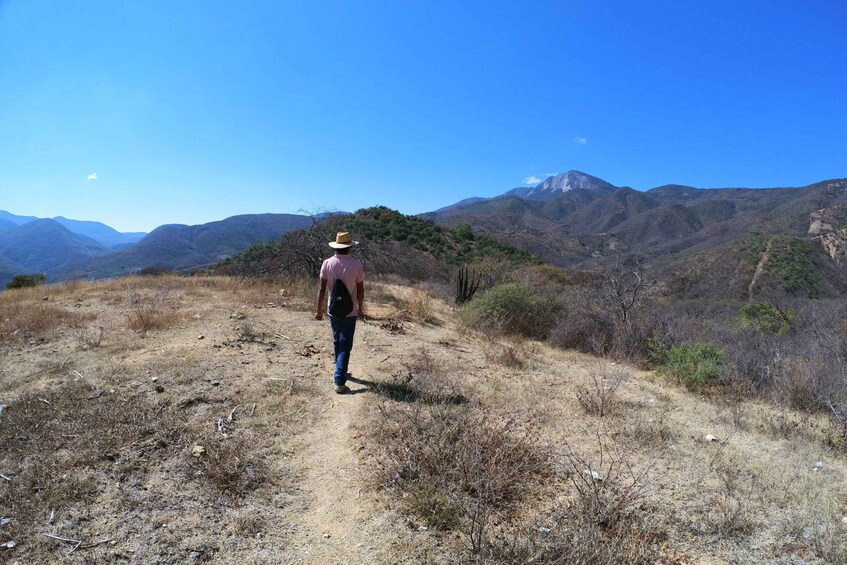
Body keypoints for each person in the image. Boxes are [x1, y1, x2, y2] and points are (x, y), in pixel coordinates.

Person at [315, 231, 365, 394]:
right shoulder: (356, 265)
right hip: (350, 311)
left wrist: (318, 310)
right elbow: (360, 291)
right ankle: (339, 379)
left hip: (333, 310)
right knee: (345, 344)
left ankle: (340, 368)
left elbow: (322, 289)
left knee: (337, 341)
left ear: (336, 247)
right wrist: (361, 309)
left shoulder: (327, 263)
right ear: (350, 247)